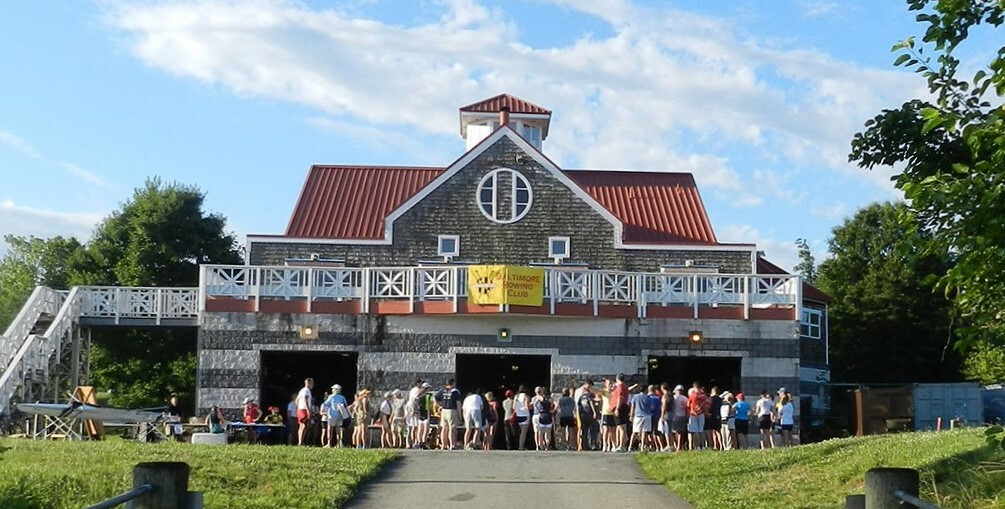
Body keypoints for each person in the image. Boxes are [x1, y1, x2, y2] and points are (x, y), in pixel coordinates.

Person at [435, 379, 461, 450]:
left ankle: (444, 445)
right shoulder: (455, 391)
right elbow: (458, 403)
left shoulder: (442, 390)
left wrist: (440, 405)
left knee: (444, 428)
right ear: (453, 383)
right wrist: (460, 415)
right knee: (451, 428)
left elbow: (436, 398)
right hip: (452, 410)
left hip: (444, 410)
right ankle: (452, 445)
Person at [609, 374, 630, 452]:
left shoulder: (620, 387)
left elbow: (620, 398)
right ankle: (621, 445)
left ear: (617, 379)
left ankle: (621, 446)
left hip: (620, 408)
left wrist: (617, 408)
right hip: (622, 407)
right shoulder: (624, 386)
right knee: (620, 427)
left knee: (621, 428)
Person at [628, 385, 652, 452]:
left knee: (635, 432)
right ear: (645, 390)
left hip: (638, 416)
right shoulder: (648, 397)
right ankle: (642, 447)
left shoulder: (635, 397)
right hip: (647, 415)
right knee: (644, 432)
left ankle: (630, 446)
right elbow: (651, 407)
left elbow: (632, 406)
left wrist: (631, 415)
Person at [532, 386, 554, 451]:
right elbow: (553, 404)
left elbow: (535, 404)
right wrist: (551, 410)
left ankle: (540, 446)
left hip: (542, 414)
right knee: (548, 432)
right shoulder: (550, 398)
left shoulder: (540, 398)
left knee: (541, 432)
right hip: (548, 415)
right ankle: (547, 446)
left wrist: (539, 410)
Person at [296, 378, 315, 446]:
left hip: (300, 409)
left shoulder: (301, 390)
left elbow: (297, 400)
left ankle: (301, 441)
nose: (312, 385)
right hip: (304, 409)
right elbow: (305, 399)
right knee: (303, 425)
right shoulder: (306, 390)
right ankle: (300, 442)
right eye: (312, 383)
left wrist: (298, 406)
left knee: (304, 425)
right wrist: (308, 409)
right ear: (308, 383)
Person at [671, 385, 689, 452]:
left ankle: (675, 445)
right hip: (682, 415)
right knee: (680, 432)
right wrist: (687, 416)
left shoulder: (673, 398)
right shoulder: (685, 398)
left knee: (673, 432)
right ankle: (679, 446)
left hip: (674, 416)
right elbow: (687, 408)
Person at [514, 385, 531, 450]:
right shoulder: (526, 396)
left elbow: (513, 407)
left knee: (521, 432)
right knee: (524, 432)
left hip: (518, 415)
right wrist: (531, 406)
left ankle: (520, 445)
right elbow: (527, 407)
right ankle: (521, 446)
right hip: (525, 414)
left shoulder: (516, 396)